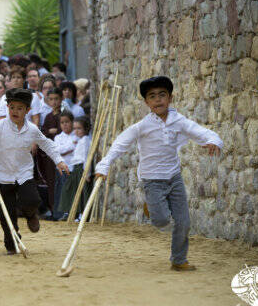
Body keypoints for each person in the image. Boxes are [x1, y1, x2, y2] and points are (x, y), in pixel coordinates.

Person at [94, 76, 223, 271]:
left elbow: (200, 132)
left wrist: (214, 140)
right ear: (147, 102)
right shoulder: (142, 126)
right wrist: (104, 166)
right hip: (152, 180)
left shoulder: (179, 121)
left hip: (174, 178)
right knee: (161, 219)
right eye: (152, 96)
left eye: (162, 95)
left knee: (184, 222)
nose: (158, 100)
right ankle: (152, 207)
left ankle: (178, 260)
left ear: (170, 98)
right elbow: (120, 145)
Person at [0, 88, 69, 254]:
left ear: (28, 110)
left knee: (32, 199)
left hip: (24, 173)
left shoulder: (32, 129)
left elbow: (46, 144)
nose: (15, 111)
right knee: (6, 213)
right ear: (7, 108)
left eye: (20, 108)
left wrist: (59, 161)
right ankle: (11, 243)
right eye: (12, 107)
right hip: (1, 174)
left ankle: (31, 214)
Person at [59, 116, 92, 221]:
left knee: (82, 192)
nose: (76, 131)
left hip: (81, 169)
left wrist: (87, 172)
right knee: (71, 190)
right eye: (75, 128)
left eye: (79, 128)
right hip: (76, 169)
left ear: (86, 129)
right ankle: (73, 212)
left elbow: (87, 157)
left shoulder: (86, 140)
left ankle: (82, 214)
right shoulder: (80, 140)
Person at [39, 88, 65, 218]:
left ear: (61, 99)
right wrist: (50, 132)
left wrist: (56, 130)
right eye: (51, 99)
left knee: (61, 181)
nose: (54, 102)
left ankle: (62, 211)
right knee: (51, 182)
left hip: (62, 153)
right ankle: (53, 210)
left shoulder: (63, 116)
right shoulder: (48, 116)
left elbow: (65, 130)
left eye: (56, 99)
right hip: (49, 154)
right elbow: (43, 132)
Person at [53, 110, 76, 220]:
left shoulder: (76, 135)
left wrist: (65, 150)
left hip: (73, 168)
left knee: (71, 192)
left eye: (67, 122)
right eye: (62, 123)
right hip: (61, 169)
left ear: (72, 122)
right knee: (61, 191)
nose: (65, 124)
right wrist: (71, 147)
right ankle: (60, 214)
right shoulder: (58, 137)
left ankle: (71, 213)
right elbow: (57, 151)